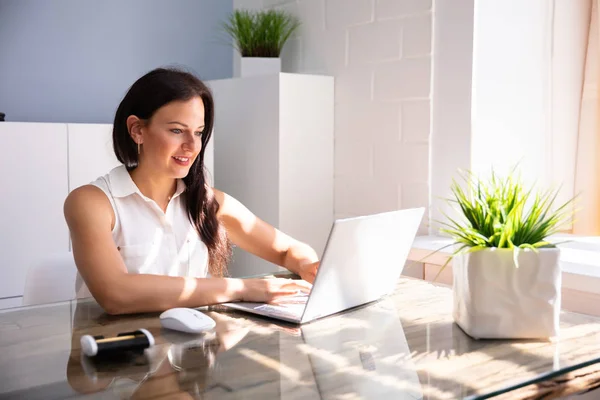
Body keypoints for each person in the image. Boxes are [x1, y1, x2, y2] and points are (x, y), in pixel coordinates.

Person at [64, 67, 319, 315]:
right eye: (177, 130)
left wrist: (307, 265)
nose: (191, 145)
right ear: (137, 130)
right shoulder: (91, 202)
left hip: (191, 350)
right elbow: (115, 294)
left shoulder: (208, 201)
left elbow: (287, 250)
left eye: (198, 132)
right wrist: (244, 288)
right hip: (114, 350)